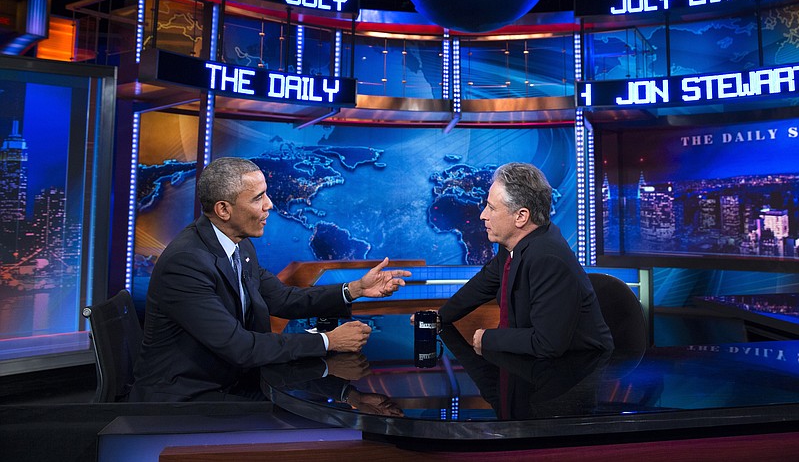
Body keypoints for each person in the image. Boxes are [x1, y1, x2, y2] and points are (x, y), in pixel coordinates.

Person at [130, 157, 410, 401]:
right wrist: (329, 341)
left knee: (321, 392)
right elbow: (240, 347)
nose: (270, 205)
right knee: (302, 422)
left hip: (236, 380)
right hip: (189, 397)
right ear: (223, 210)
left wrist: (355, 289)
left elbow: (282, 298)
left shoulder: (238, 244)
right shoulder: (186, 263)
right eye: (257, 198)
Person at [438, 162, 613, 358]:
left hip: (578, 373)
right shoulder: (514, 245)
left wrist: (487, 338)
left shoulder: (548, 258)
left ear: (521, 216)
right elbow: (484, 284)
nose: (482, 215)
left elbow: (547, 344)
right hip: (533, 367)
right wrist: (439, 317)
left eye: (491, 208)